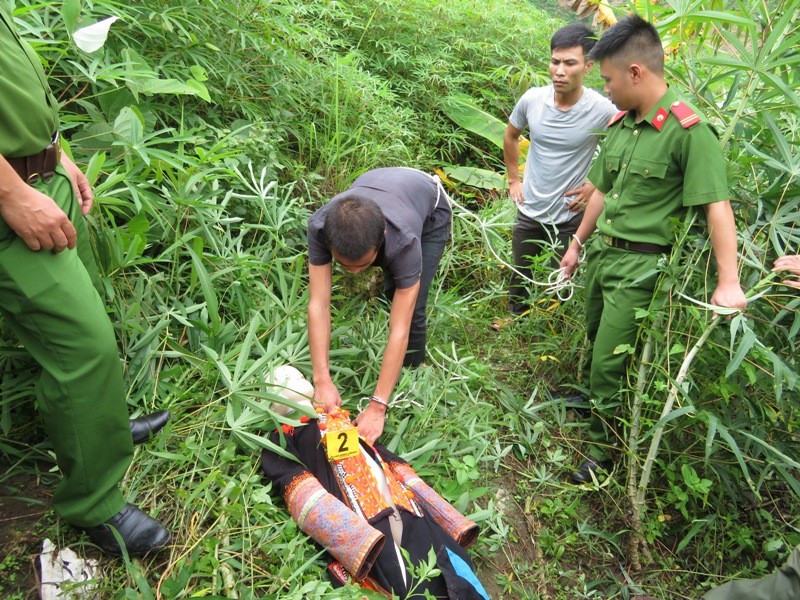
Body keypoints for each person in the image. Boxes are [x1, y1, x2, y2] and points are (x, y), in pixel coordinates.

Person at [0, 6, 170, 555]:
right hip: (10, 204)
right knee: (83, 346)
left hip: (38, 179)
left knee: (87, 317)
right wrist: (10, 192)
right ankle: (92, 504)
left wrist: (58, 155)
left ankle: (105, 427)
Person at [559, 15, 748, 483]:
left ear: (636, 73)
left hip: (641, 267)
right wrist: (577, 244)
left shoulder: (688, 132)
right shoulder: (624, 125)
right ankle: (595, 405)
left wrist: (730, 282)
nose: (606, 91)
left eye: (608, 80)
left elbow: (716, 207)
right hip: (604, 255)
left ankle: (602, 453)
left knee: (609, 359)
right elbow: (602, 190)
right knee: (594, 333)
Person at [307, 167, 452, 445]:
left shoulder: (404, 241)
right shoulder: (320, 227)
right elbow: (319, 305)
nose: (352, 273)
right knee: (391, 292)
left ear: (382, 237)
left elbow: (399, 328)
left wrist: (377, 406)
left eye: (362, 265)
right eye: (344, 265)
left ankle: (411, 373)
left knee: (412, 307)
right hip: (381, 188)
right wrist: (321, 380)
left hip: (430, 208)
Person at [503, 22, 617, 316]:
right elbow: (511, 135)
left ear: (588, 66)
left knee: (559, 282)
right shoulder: (532, 99)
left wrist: (595, 183)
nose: (560, 71)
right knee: (521, 276)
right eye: (555, 62)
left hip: (569, 215)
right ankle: (517, 322)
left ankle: (552, 327)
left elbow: (624, 143)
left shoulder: (602, 109)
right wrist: (514, 180)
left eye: (570, 63)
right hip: (530, 207)